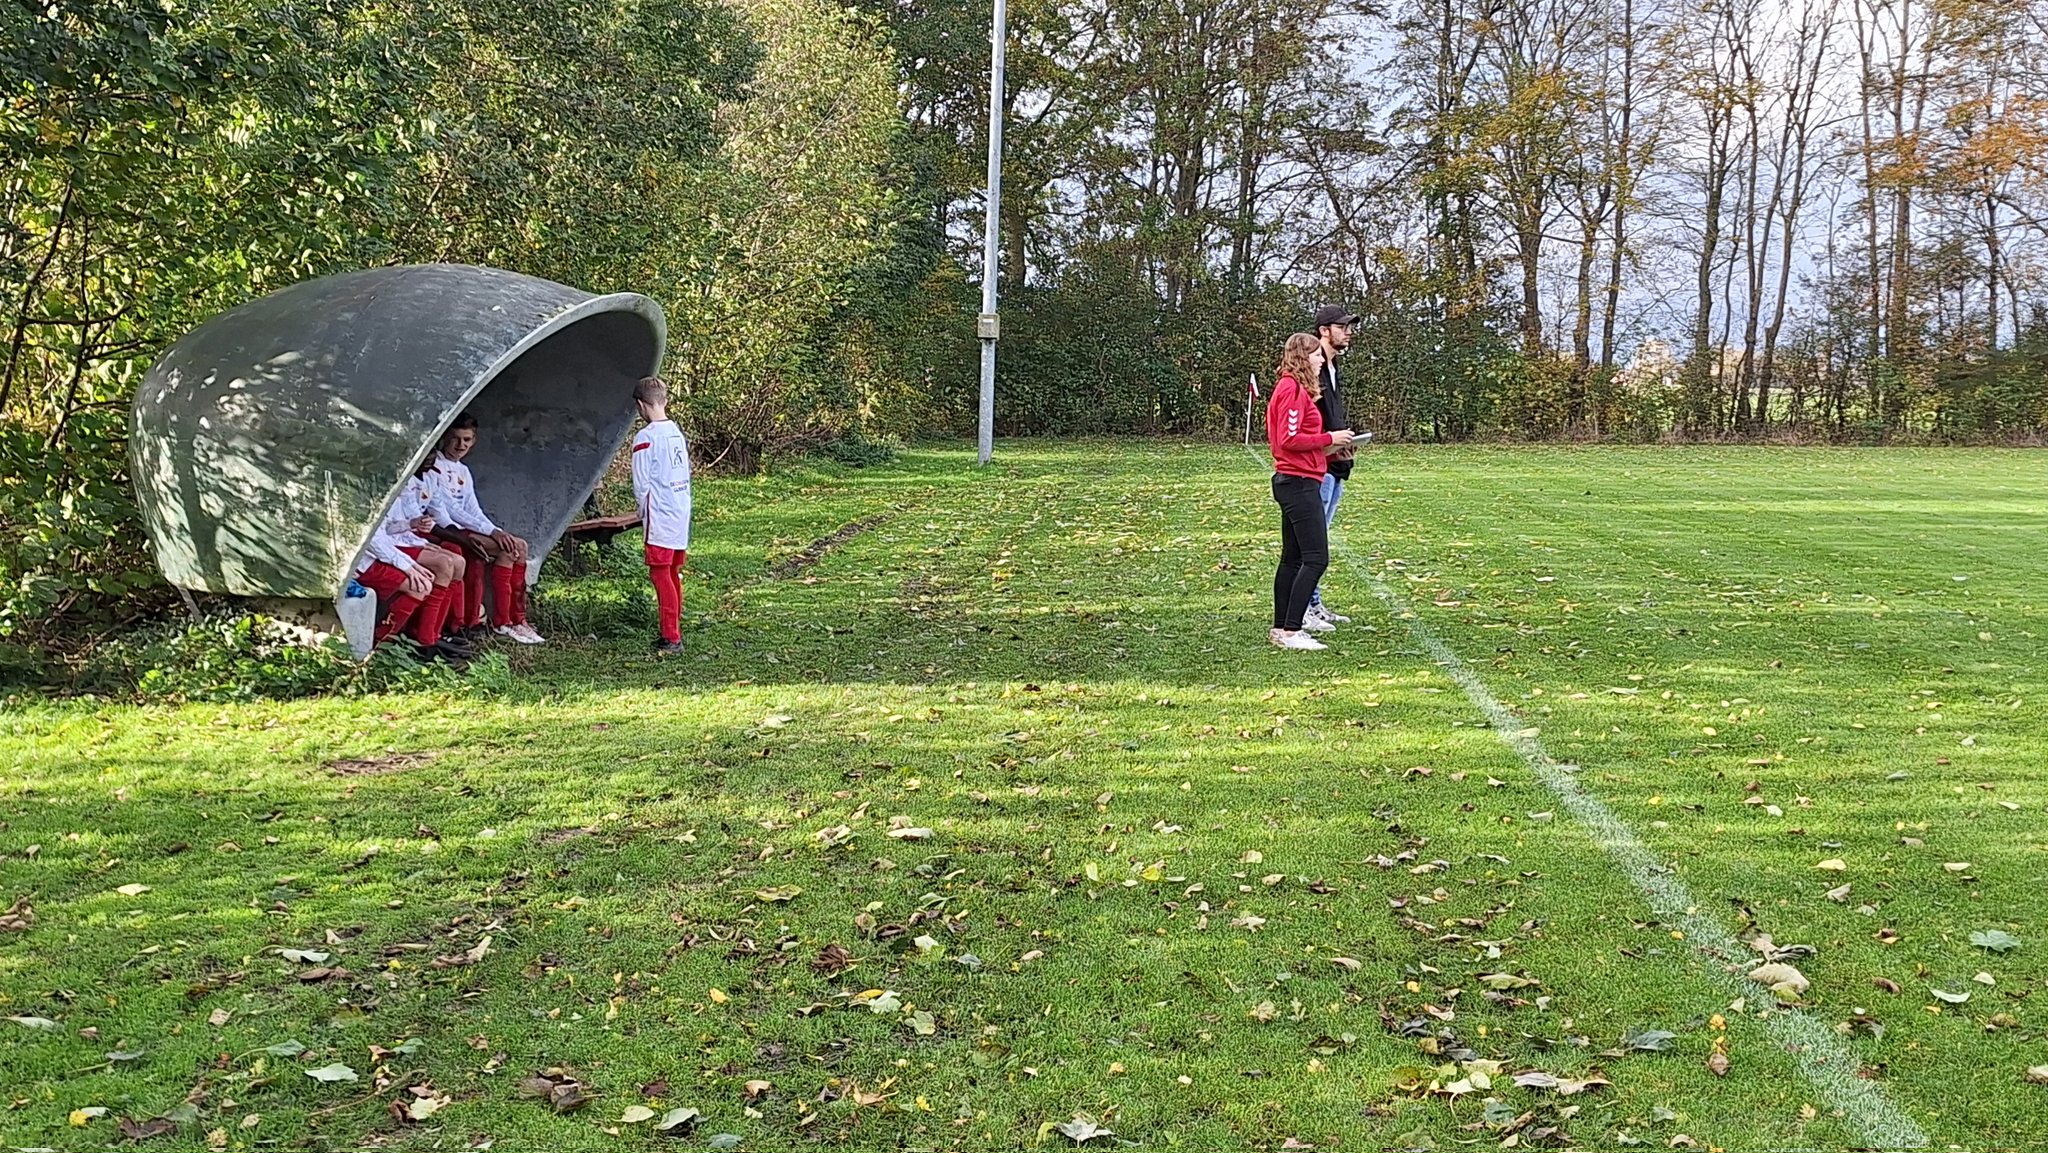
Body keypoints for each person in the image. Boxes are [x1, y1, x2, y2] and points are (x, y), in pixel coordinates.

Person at [1267, 332, 1357, 651]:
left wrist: (1334, 449)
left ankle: (1282, 628)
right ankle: (1292, 629)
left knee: (1292, 559)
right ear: (1303, 357)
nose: (1321, 359)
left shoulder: (1298, 390)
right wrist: (1328, 440)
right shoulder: (1291, 389)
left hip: (1298, 479)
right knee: (1316, 558)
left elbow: (1298, 439)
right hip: (1298, 484)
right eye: (1316, 354)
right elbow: (1288, 440)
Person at [431, 413, 544, 645]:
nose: (460, 445)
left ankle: (518, 619)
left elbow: (473, 509)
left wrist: (495, 529)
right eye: (456, 439)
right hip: (449, 530)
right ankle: (502, 621)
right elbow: (451, 511)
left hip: (470, 527)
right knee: (507, 549)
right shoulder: (435, 466)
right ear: (445, 437)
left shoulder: (463, 470)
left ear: (474, 440)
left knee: (519, 546)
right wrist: (492, 533)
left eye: (467, 440)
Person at [376, 459, 474, 662]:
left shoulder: (405, 484)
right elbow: (383, 533)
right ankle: (424, 638)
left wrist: (418, 534)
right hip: (390, 546)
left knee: (457, 562)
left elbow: (407, 520)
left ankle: (436, 632)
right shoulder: (379, 488)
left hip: (402, 540)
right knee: (444, 563)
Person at [1305, 304, 1360, 631]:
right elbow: (1306, 420)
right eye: (1342, 327)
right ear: (1324, 330)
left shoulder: (1334, 368)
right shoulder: (1313, 367)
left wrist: (1346, 441)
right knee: (1311, 542)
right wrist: (1329, 441)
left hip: (1336, 465)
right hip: (1316, 467)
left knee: (1320, 540)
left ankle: (1314, 603)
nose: (1348, 332)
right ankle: (1304, 608)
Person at [630, 376, 691, 657]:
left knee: (660, 573)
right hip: (679, 509)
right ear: (664, 400)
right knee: (672, 572)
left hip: (660, 514)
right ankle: (674, 626)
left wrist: (643, 513)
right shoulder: (676, 432)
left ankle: (670, 635)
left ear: (641, 405)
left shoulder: (646, 437)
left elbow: (641, 483)